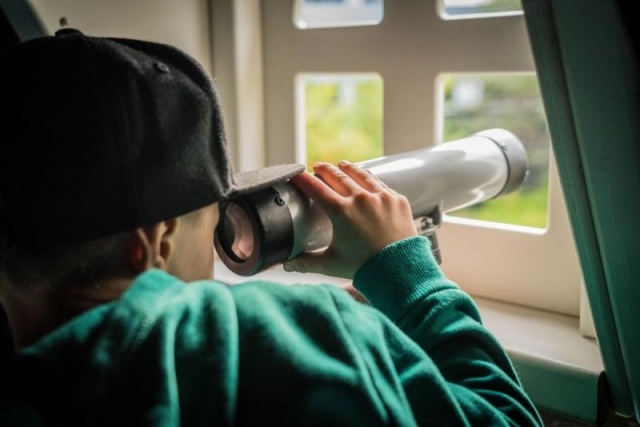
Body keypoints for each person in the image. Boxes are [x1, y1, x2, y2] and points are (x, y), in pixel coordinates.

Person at [0, 29, 542, 426]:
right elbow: (509, 418)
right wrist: (412, 282)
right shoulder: (304, 340)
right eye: (214, 222)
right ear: (154, 242)